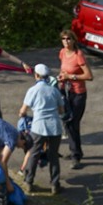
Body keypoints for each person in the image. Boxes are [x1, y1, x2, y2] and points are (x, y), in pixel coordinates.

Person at [19, 63, 68, 194]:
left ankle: (29, 181)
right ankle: (54, 185)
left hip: (38, 127)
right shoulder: (54, 91)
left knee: (34, 154)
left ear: (36, 75)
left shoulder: (32, 90)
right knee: (53, 156)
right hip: (54, 127)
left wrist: (24, 115)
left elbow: (22, 111)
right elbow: (62, 111)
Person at [57, 29, 94, 167]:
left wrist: (71, 77)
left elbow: (89, 76)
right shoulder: (62, 52)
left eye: (69, 39)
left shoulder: (78, 55)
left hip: (79, 93)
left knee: (72, 123)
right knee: (67, 122)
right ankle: (76, 151)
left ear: (73, 40)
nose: (66, 42)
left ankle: (76, 156)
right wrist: (61, 77)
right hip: (66, 92)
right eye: (64, 39)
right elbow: (63, 70)